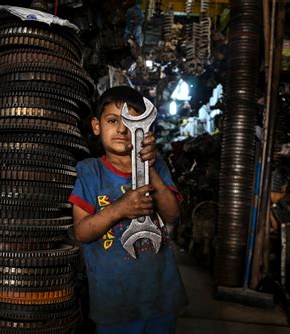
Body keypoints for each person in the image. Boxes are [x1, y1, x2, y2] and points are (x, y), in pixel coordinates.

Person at [68, 86, 187, 334]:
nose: (122, 130)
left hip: (160, 296)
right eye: (113, 120)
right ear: (96, 125)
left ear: (143, 130)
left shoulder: (157, 165)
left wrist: (148, 166)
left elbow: (172, 214)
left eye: (130, 123)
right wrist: (120, 209)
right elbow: (81, 232)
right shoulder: (89, 172)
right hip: (114, 303)